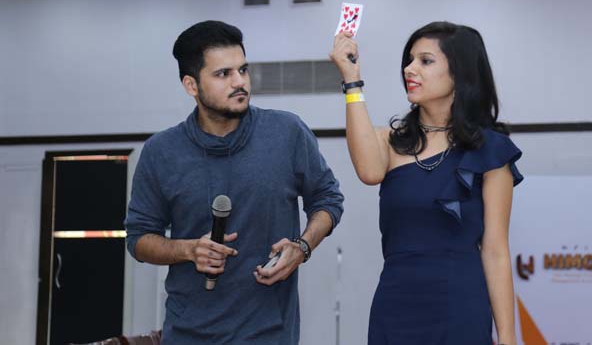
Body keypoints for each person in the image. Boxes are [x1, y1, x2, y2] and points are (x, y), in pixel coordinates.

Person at [126, 20, 344, 344]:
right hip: (188, 334)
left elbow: (328, 199)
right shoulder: (161, 152)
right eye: (223, 74)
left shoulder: (287, 133)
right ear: (191, 85)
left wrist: (302, 247)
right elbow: (139, 238)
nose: (239, 82)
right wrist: (188, 249)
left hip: (269, 334)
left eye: (243, 70)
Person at [330, 21, 523, 345]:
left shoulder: (490, 150)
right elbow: (369, 172)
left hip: (461, 306)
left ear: (459, 74)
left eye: (425, 61)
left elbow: (495, 251)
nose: (410, 69)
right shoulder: (388, 141)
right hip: (396, 305)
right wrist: (352, 81)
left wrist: (507, 336)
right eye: (409, 60)